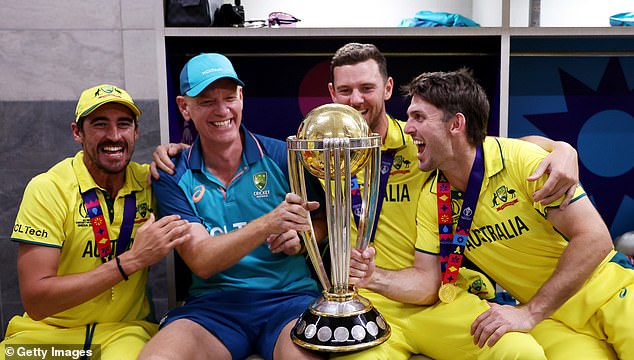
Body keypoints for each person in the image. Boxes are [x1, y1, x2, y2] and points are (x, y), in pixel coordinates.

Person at [152, 43, 580, 359]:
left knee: (519, 352)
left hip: (427, 295)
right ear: (332, 93)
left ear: (388, 88)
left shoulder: (421, 142)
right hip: (354, 299)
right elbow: (314, 222)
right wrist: (300, 236)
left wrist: (561, 147)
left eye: (366, 88)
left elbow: (484, 149)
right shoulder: (322, 152)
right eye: (345, 90)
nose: (356, 100)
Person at [402, 68, 634, 359]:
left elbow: (596, 239)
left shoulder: (521, 160)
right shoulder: (433, 199)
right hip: (553, 320)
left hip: (611, 293)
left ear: (456, 124)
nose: (408, 127)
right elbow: (425, 279)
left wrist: (529, 312)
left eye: (419, 117)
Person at [138, 53, 327, 360]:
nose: (222, 110)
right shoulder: (173, 173)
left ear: (242, 97)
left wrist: (304, 240)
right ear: (184, 107)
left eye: (229, 97)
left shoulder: (284, 156)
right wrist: (270, 222)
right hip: (214, 308)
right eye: (207, 101)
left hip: (289, 300)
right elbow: (201, 260)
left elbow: (321, 221)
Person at [1, 84, 190, 359]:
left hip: (124, 332)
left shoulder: (152, 181)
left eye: (124, 124)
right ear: (77, 132)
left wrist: (181, 155)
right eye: (100, 124)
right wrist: (132, 261)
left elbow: (208, 185)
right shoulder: (48, 188)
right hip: (47, 333)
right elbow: (37, 301)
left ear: (136, 132)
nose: (114, 135)